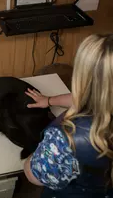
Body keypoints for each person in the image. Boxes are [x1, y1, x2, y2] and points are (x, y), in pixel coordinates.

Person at [24, 34, 113, 198]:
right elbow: (85, 97)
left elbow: (34, 175)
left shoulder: (67, 138)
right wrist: (49, 100)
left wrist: (37, 154)